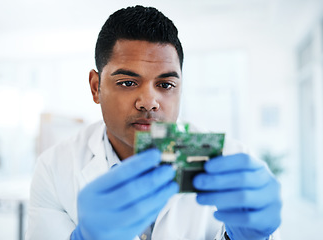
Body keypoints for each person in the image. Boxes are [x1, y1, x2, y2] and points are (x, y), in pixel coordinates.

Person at [26, 5, 282, 240]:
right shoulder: (54, 169)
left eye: (166, 85)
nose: (149, 102)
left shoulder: (232, 162)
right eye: (128, 82)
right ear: (96, 87)